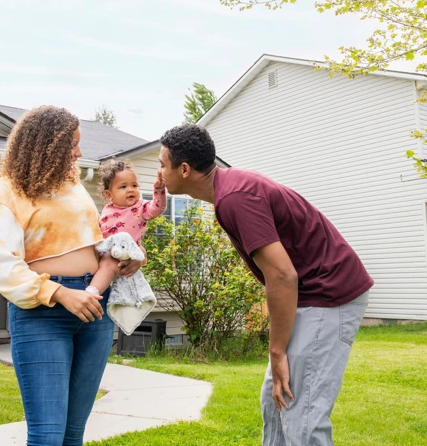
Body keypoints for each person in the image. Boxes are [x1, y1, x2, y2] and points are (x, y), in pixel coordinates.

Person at [158, 124, 373, 446]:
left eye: (162, 165)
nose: (159, 174)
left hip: (328, 295)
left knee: (301, 413)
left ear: (184, 169)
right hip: (309, 296)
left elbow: (283, 276)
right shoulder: (229, 191)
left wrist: (276, 351)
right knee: (276, 404)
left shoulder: (235, 199)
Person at [0, 106, 143, 446]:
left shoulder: (74, 188)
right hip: (44, 314)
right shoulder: (6, 191)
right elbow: (2, 266)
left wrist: (119, 262)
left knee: (73, 434)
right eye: (72, 144)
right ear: (45, 144)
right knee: (48, 435)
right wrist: (60, 293)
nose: (79, 153)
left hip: (94, 308)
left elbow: (92, 241)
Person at [84, 159, 166, 298]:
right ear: (109, 195)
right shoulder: (107, 209)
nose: (130, 190)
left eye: (134, 185)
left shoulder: (141, 207)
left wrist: (159, 190)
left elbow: (157, 208)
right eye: (123, 187)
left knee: (108, 267)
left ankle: (93, 293)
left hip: (124, 252)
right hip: (105, 249)